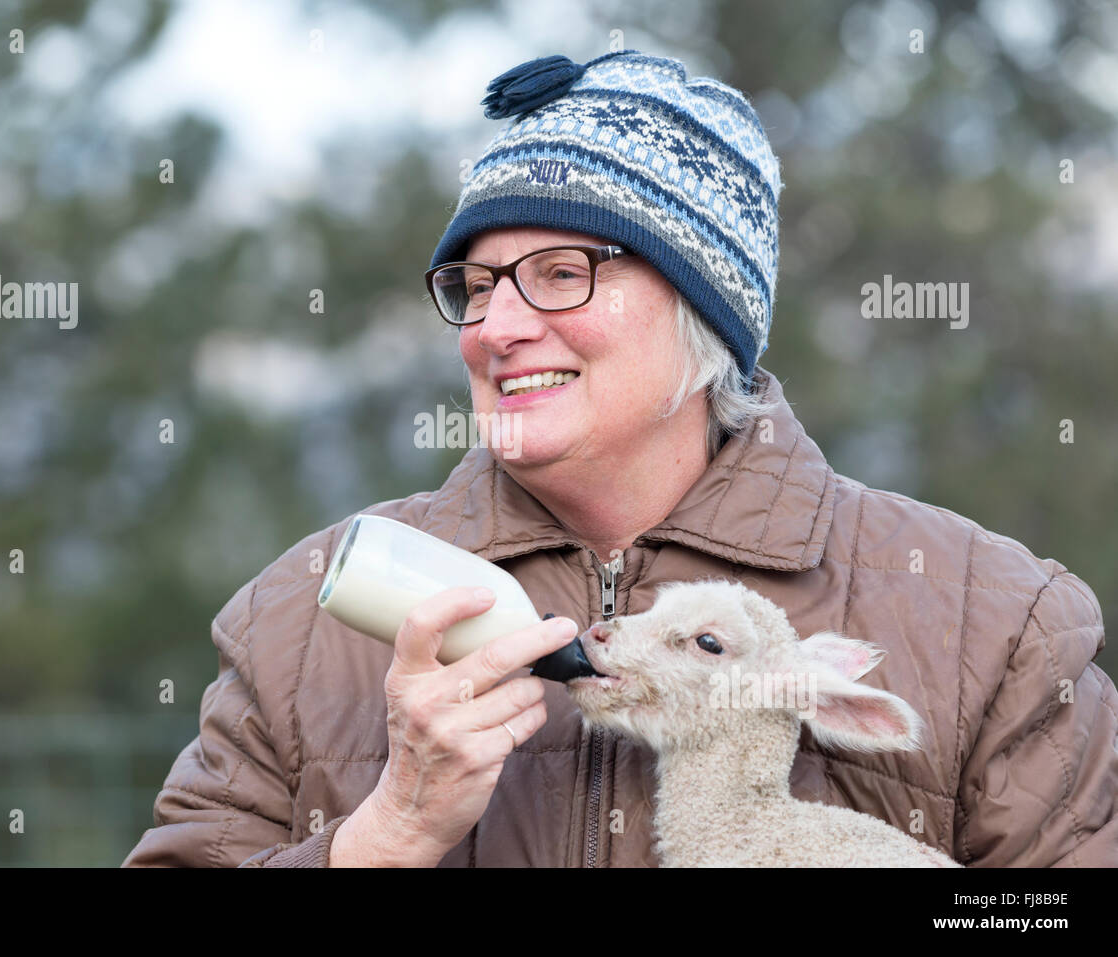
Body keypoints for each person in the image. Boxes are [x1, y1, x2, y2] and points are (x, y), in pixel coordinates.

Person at [123, 50, 1117, 867]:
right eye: (473, 284)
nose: (493, 327)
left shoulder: (990, 621)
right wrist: (386, 837)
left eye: (560, 274)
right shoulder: (299, 616)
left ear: (703, 315)